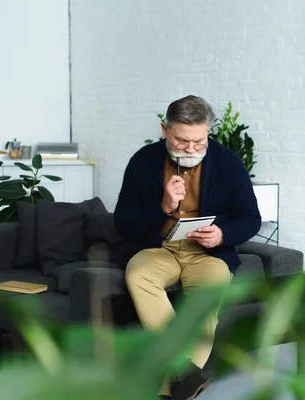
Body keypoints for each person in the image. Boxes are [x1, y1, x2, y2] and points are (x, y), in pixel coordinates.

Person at [113, 95, 262, 400]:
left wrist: (222, 234)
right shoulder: (142, 161)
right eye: (182, 141)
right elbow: (123, 223)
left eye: (200, 141)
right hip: (161, 247)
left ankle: (170, 389)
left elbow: (251, 219)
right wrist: (163, 206)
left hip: (207, 253)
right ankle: (185, 372)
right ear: (164, 130)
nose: (192, 149)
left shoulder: (228, 162)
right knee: (138, 275)